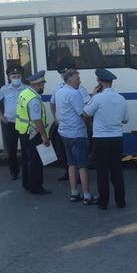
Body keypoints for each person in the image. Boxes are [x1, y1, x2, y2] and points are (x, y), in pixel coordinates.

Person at [83, 68, 129, 210]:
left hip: (101, 139)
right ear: (111, 82)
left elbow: (85, 114)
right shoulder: (121, 98)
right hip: (117, 139)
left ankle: (103, 203)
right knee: (116, 170)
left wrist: (93, 96)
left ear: (100, 83)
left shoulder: (97, 98)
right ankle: (120, 201)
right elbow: (125, 120)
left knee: (102, 172)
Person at [55, 69, 96, 205]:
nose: (80, 81)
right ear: (71, 81)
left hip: (64, 133)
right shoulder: (75, 93)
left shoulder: (59, 92)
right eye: (78, 79)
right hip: (77, 133)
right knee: (83, 165)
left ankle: (74, 192)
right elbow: (83, 114)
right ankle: (87, 195)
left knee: (71, 164)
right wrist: (90, 126)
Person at [15, 71, 52, 194]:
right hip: (33, 133)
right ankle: (36, 187)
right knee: (35, 162)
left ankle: (27, 184)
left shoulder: (24, 93)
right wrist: (44, 136)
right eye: (42, 84)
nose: (43, 86)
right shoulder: (34, 99)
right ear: (37, 84)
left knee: (27, 159)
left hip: (23, 130)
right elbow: (37, 120)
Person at [0, 65, 29, 181]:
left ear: (22, 77)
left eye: (18, 76)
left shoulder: (27, 88)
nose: (16, 78)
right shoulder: (5, 89)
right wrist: (1, 116)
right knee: (11, 149)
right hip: (11, 123)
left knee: (26, 149)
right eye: (14, 76)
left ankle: (27, 171)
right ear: (9, 77)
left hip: (24, 123)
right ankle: (14, 171)